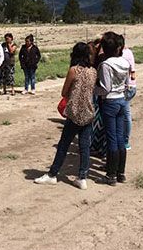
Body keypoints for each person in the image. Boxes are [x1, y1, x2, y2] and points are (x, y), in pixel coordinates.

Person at [34, 42, 97, 190]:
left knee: (63, 145)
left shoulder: (73, 70)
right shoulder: (93, 71)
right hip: (88, 112)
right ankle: (82, 177)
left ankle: (52, 174)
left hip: (74, 113)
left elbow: (64, 92)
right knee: (84, 146)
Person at [95, 32, 131, 186]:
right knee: (120, 138)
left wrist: (93, 90)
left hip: (109, 102)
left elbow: (106, 88)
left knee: (111, 139)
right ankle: (120, 173)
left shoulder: (105, 65)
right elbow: (127, 83)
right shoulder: (124, 62)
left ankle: (110, 176)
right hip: (122, 100)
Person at [121, 42, 136, 150]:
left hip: (126, 88)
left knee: (125, 115)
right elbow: (132, 71)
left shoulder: (121, 54)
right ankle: (125, 141)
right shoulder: (129, 52)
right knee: (125, 115)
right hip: (130, 86)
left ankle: (124, 142)